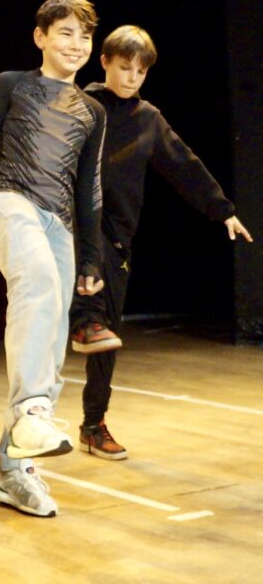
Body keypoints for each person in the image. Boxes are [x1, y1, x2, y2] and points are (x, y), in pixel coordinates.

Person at [0, 0, 109, 518]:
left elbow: (89, 189)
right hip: (1, 198)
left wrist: (92, 258)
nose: (75, 44)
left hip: (58, 219)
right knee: (34, 276)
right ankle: (33, 412)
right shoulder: (12, 84)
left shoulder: (93, 111)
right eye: (65, 33)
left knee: (53, 321)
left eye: (84, 35)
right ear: (40, 37)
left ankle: (14, 467)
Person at [68, 25, 252, 459]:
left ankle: (93, 425)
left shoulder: (148, 119)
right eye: (124, 67)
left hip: (117, 240)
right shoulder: (80, 104)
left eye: (140, 71)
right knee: (85, 306)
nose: (131, 77)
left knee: (107, 340)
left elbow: (184, 165)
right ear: (106, 63)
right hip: (71, 226)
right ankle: (81, 324)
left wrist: (222, 209)